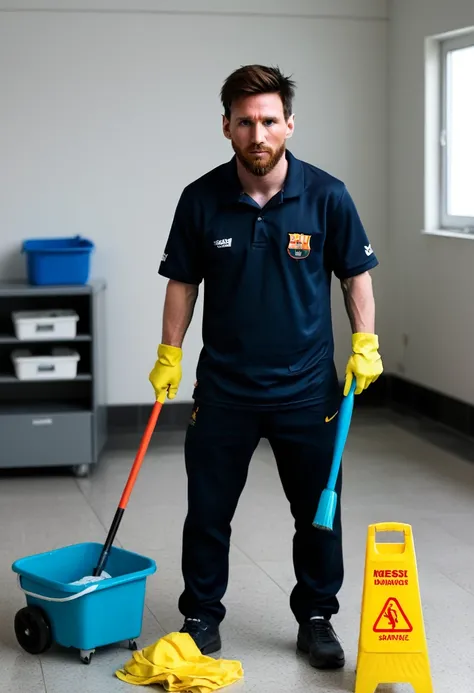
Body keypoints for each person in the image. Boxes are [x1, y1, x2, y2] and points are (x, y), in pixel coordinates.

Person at [149, 64, 383, 671]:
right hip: (223, 389)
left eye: (270, 121)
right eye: (246, 121)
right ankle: (201, 615)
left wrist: (366, 341)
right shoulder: (200, 198)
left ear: (289, 125)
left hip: (308, 390)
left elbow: (354, 274)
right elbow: (182, 282)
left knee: (318, 510)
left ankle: (317, 617)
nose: (259, 133)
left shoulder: (326, 194)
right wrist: (169, 352)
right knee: (208, 510)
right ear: (226, 126)